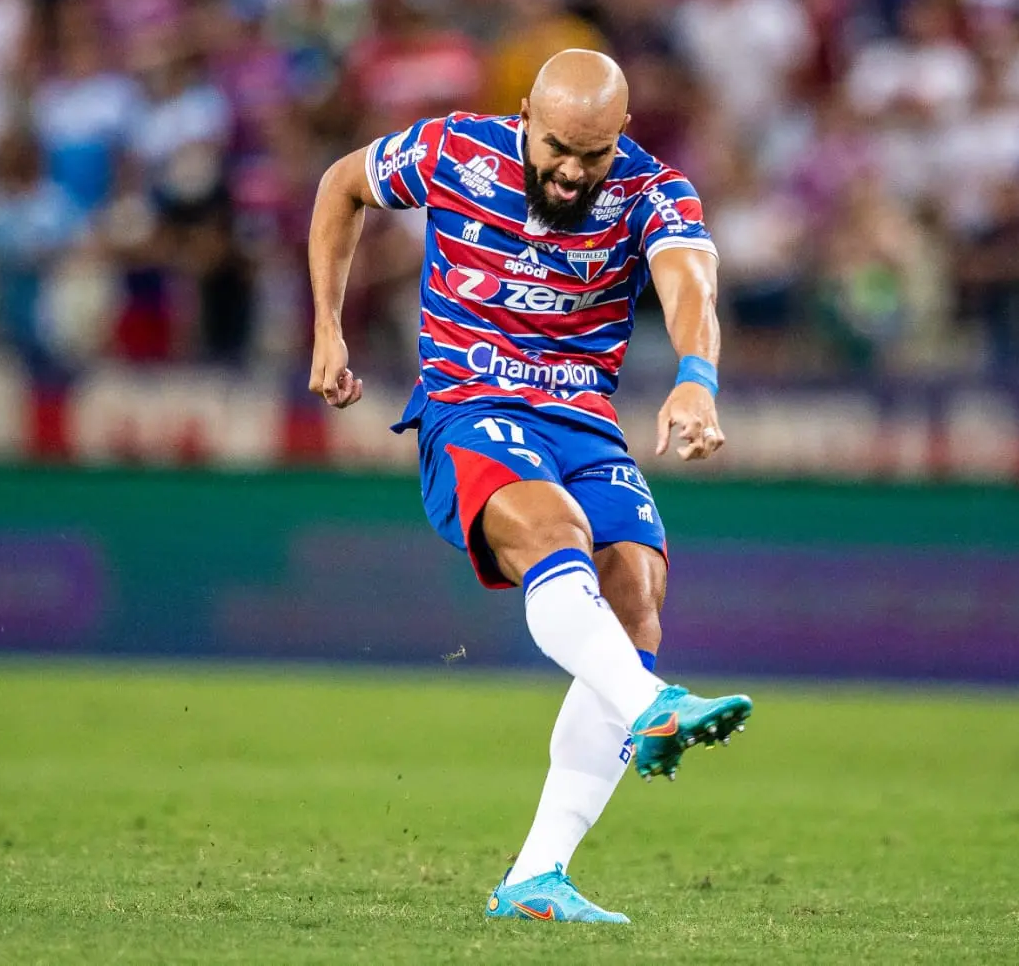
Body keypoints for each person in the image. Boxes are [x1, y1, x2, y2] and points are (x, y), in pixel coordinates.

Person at [305, 50, 752, 925]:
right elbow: (339, 185)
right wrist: (327, 326)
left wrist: (696, 375)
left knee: (637, 600)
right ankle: (651, 706)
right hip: (469, 404)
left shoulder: (654, 191)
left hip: (581, 415)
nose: (572, 171)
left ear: (621, 135)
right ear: (524, 116)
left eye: (593, 154)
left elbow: (689, 280)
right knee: (555, 533)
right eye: (556, 148)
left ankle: (535, 878)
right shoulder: (452, 152)